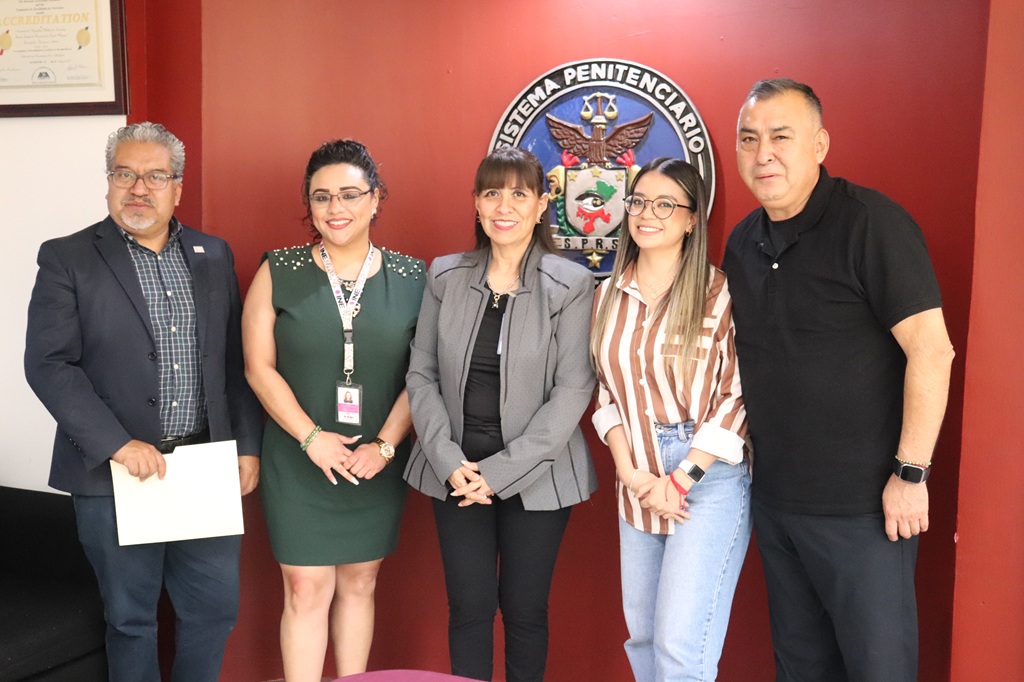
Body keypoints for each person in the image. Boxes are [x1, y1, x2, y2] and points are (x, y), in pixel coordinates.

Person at [723, 78, 955, 682]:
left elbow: (932, 352)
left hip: (866, 510)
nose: (763, 153)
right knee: (800, 669)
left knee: (880, 669)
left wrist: (911, 474)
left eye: (781, 136)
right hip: (776, 505)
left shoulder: (871, 223)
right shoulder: (742, 242)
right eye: (749, 139)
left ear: (820, 144)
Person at [23, 122, 263, 682]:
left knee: (212, 614)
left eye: (155, 176)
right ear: (108, 182)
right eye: (125, 174)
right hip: (115, 475)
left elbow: (234, 362)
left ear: (178, 187)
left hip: (203, 467)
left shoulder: (212, 253)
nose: (138, 188)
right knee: (131, 622)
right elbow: (49, 364)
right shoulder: (67, 257)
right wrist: (116, 444)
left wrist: (246, 446)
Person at [404, 147, 597, 682]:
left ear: (541, 205)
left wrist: (498, 474)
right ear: (476, 203)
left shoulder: (570, 283)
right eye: (492, 193)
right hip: (456, 472)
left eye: (518, 193)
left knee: (525, 610)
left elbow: (573, 389)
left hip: (537, 474)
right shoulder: (445, 275)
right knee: (468, 609)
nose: (504, 206)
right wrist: (448, 462)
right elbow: (421, 374)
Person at [242, 139, 424, 681]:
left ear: (376, 199)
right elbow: (258, 368)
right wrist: (310, 438)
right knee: (305, 587)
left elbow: (425, 376)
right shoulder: (278, 269)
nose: (335, 208)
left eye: (349, 194)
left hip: (375, 461)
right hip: (298, 457)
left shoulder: (415, 278)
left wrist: (385, 445)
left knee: (361, 582)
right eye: (321, 197)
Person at [590, 158, 750, 681]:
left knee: (681, 645)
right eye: (638, 202)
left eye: (665, 205)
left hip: (706, 477)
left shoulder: (718, 293)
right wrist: (631, 474)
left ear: (690, 220)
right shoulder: (607, 296)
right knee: (642, 637)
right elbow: (605, 394)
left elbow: (736, 396)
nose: (646, 214)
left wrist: (681, 479)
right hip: (636, 477)